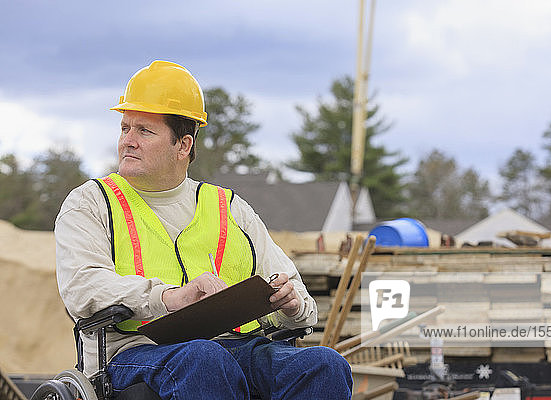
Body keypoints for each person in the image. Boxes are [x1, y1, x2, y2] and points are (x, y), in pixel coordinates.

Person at [55, 60, 352, 399]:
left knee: (325, 365)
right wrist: (167, 297)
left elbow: (299, 297)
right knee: (205, 360)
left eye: (144, 131)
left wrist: (291, 305)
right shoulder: (91, 203)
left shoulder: (229, 207)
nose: (128, 141)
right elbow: (82, 286)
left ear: (183, 145)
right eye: (125, 128)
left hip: (236, 348)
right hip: (133, 353)